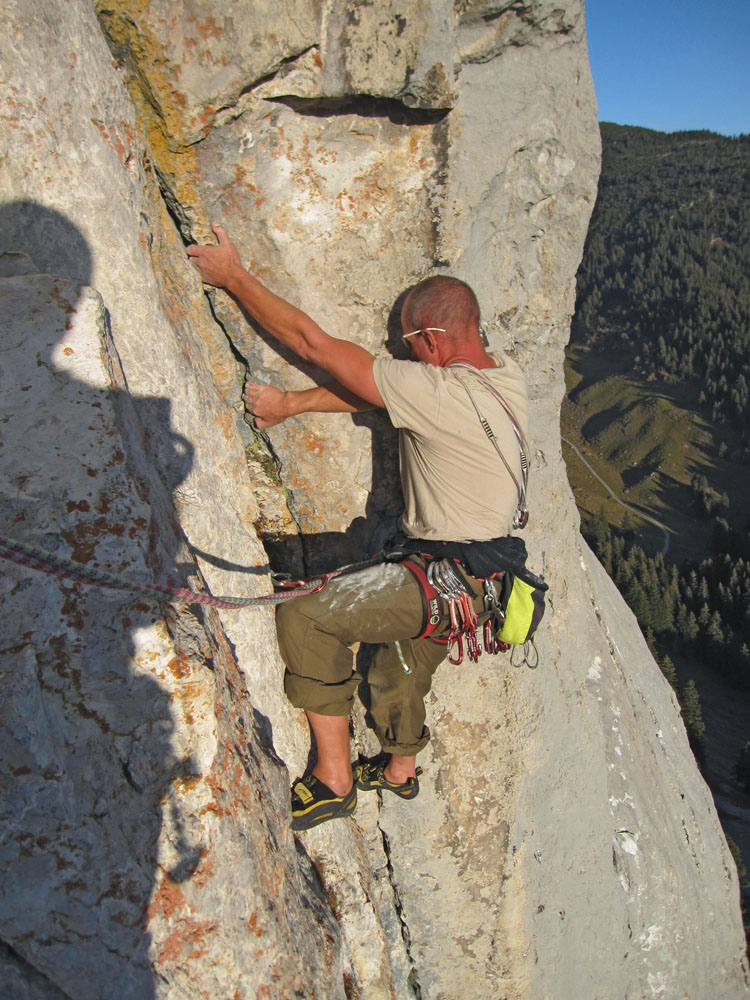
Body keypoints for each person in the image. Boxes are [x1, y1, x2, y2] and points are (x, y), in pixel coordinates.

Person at [187, 223, 529, 831]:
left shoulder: (438, 393)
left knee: (305, 615)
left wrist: (233, 276)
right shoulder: (504, 379)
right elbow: (378, 391)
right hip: (487, 579)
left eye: (407, 344)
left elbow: (315, 345)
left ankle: (334, 780)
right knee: (396, 665)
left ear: (429, 338)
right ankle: (399, 771)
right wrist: (292, 405)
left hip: (443, 576)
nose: (401, 356)